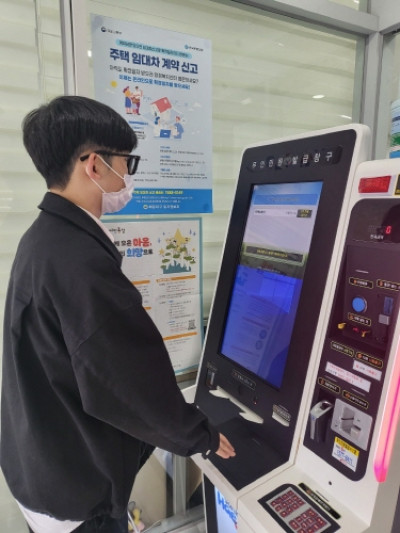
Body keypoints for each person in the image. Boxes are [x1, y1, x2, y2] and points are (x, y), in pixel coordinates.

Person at [0, 95, 235, 533]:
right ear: (95, 165)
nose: (128, 175)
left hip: (39, 464)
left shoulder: (43, 239)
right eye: (127, 162)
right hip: (75, 494)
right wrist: (199, 435)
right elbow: (126, 379)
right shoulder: (79, 261)